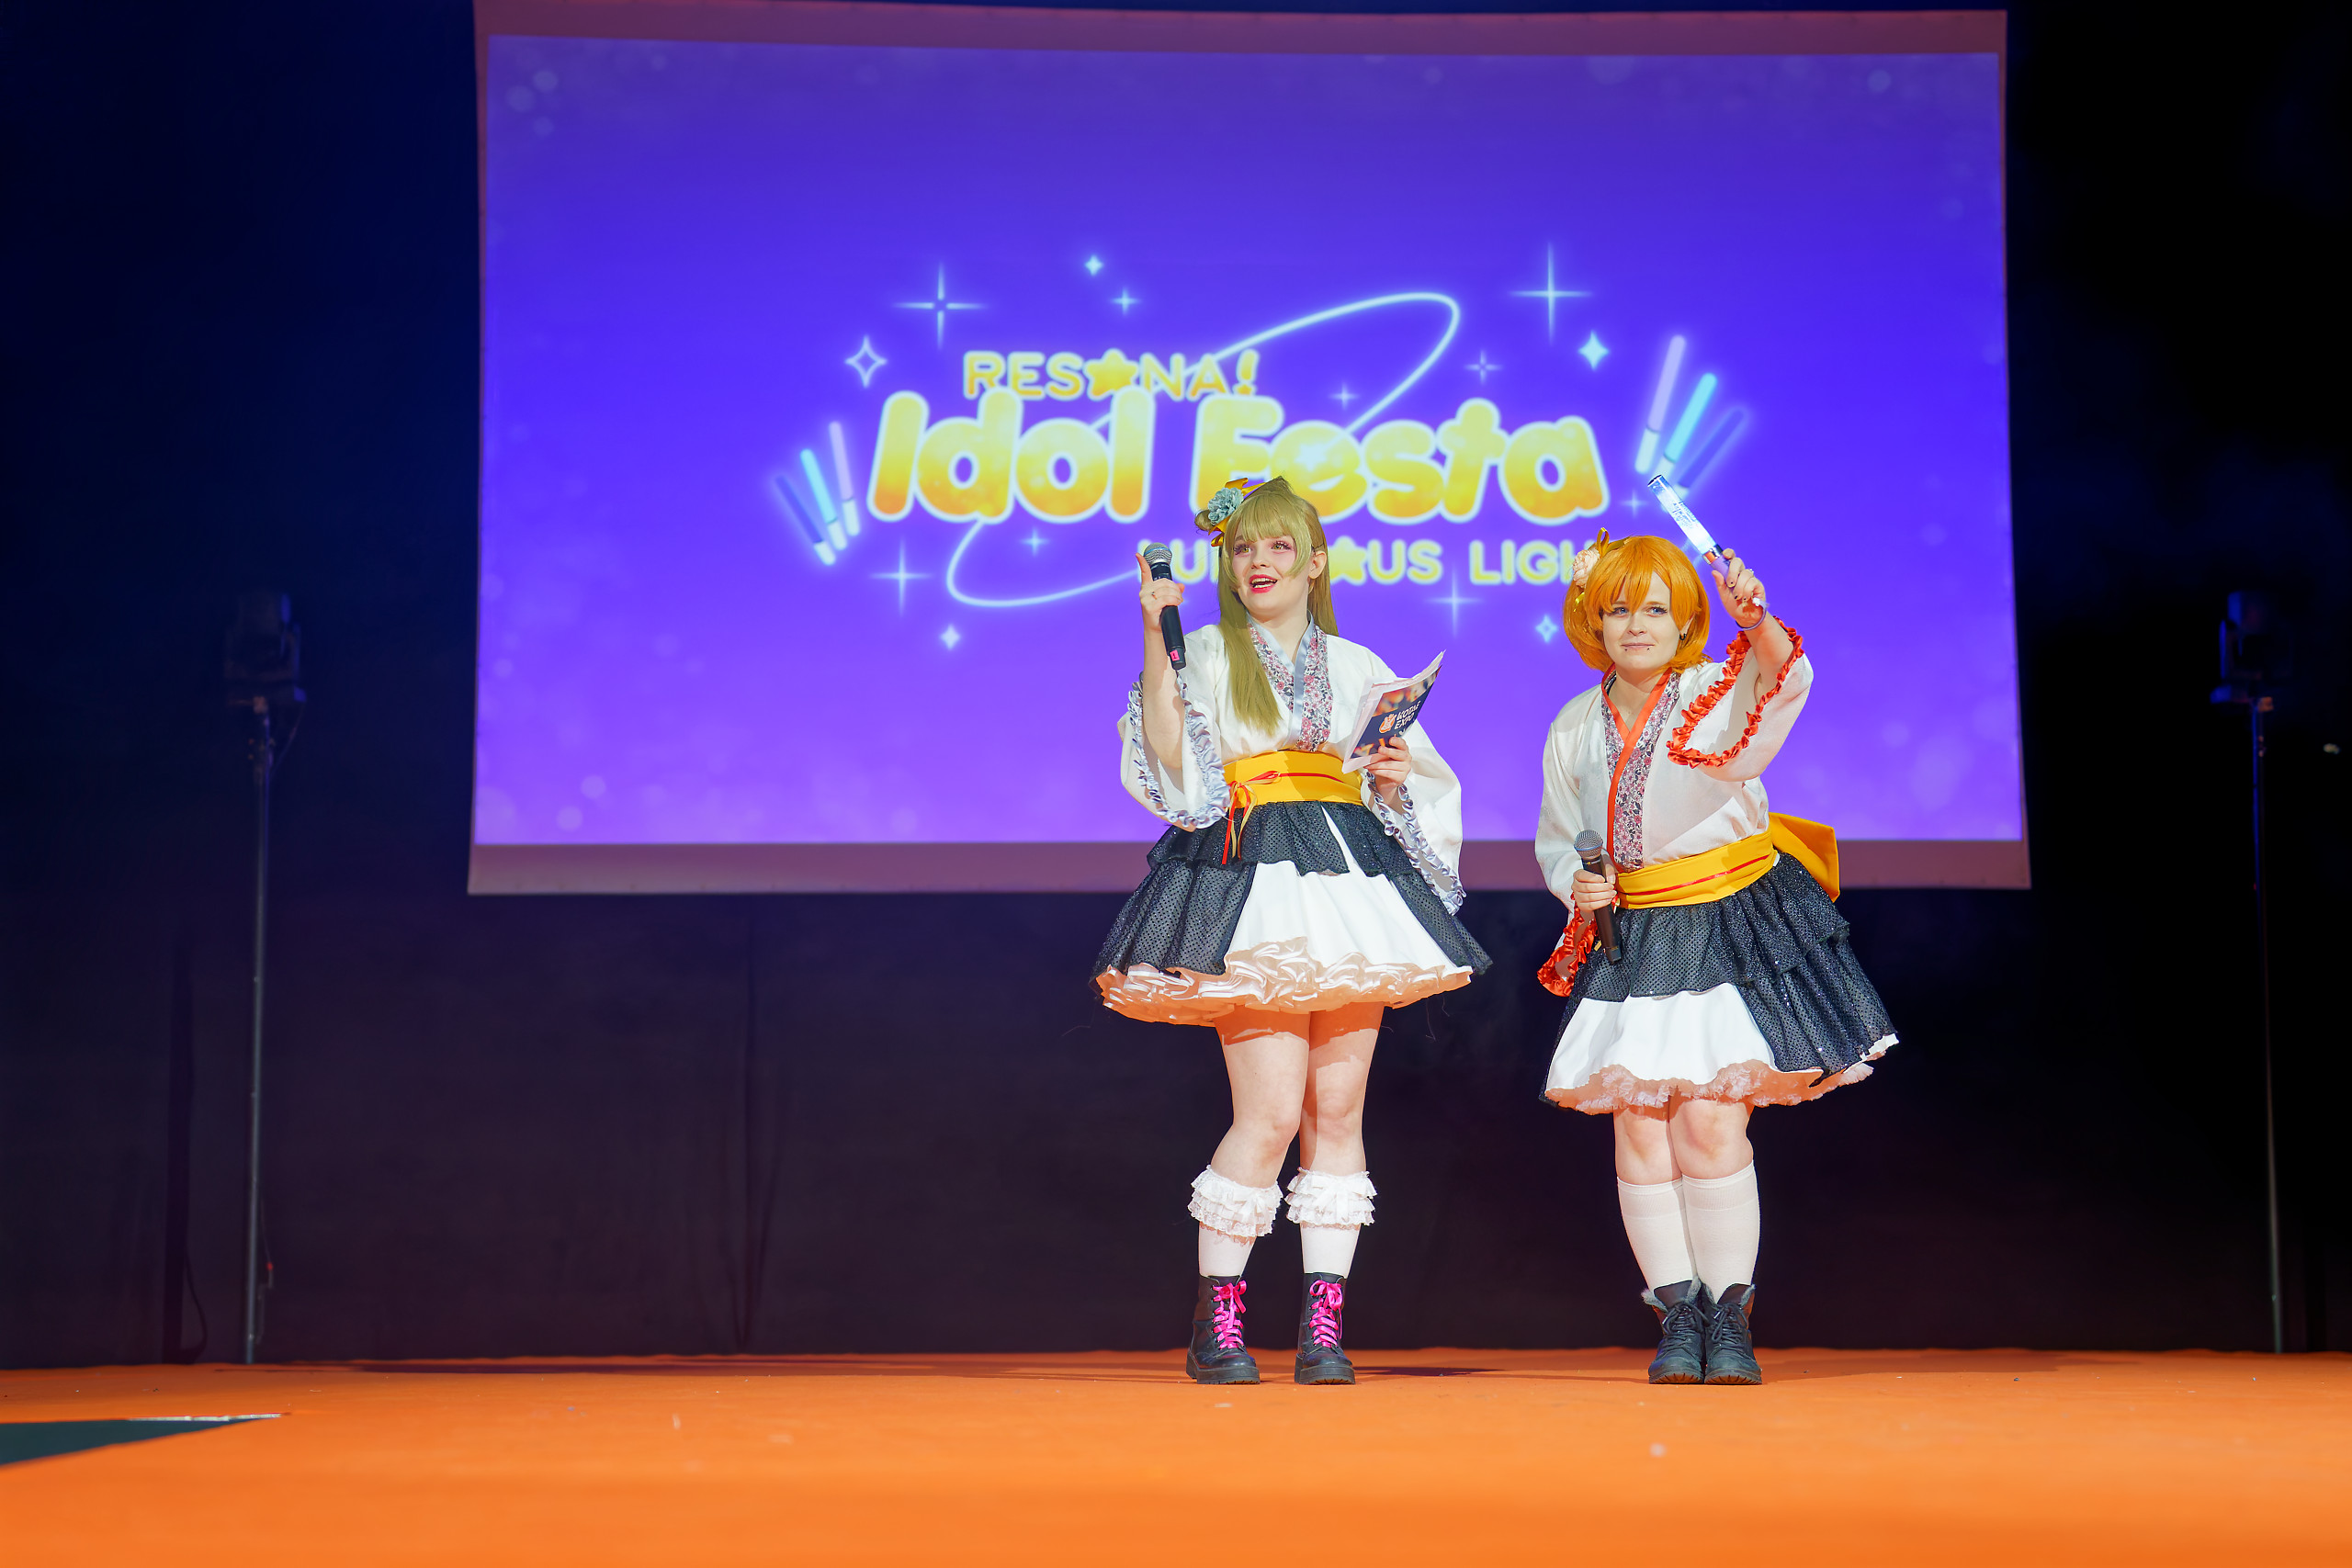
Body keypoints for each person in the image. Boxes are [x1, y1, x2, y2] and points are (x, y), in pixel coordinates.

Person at [1097, 476, 1490, 1386]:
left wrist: (1391, 778)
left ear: (1314, 563)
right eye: (1243, 548)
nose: (1259, 563)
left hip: (1345, 881)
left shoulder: (1355, 664)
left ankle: (1324, 1328)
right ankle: (1218, 1323)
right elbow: (1170, 765)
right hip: (1258, 882)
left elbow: (1418, 787)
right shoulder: (1202, 650)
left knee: (1336, 1112)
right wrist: (1155, 634)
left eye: (1278, 546)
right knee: (1270, 1114)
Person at [1534, 531, 1894, 1386]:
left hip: (1724, 915)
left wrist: (1756, 621)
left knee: (1709, 1119)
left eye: (1656, 609)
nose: (1636, 625)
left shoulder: (1709, 688)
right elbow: (1556, 836)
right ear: (1593, 620)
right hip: (1635, 930)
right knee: (1639, 1126)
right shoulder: (1574, 723)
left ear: (1686, 619)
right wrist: (1575, 883)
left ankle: (1731, 1315)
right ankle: (1678, 1315)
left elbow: (1783, 681)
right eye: (1618, 609)